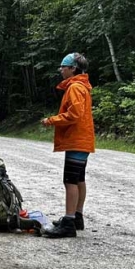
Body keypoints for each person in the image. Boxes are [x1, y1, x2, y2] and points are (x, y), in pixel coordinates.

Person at [40, 52, 95, 239]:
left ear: (72, 69)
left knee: (70, 181)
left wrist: (51, 120)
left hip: (76, 139)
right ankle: (77, 216)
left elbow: (74, 115)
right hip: (82, 139)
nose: (61, 70)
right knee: (79, 179)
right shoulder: (81, 86)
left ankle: (69, 222)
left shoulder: (75, 88)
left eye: (63, 67)